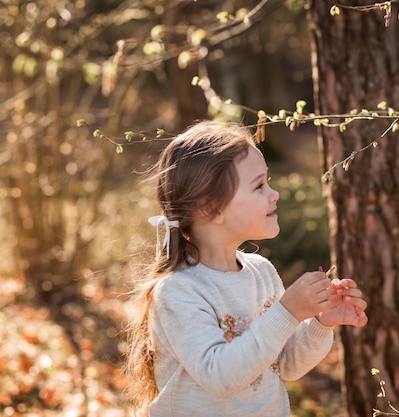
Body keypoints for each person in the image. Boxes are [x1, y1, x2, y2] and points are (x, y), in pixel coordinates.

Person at [125, 120, 368, 417]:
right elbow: (220, 377)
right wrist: (287, 311)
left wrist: (320, 323)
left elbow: (287, 364)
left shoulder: (262, 272)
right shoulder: (179, 291)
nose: (273, 193)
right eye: (259, 186)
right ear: (211, 208)